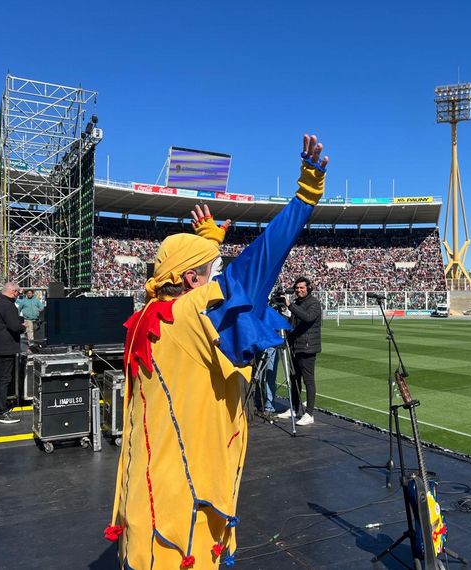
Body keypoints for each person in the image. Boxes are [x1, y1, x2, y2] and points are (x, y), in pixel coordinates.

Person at [106, 134, 329, 570]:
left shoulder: (145, 318)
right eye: (212, 270)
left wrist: (208, 243)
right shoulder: (195, 313)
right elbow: (266, 255)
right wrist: (307, 192)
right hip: (185, 507)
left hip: (144, 495)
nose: (219, 276)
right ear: (192, 280)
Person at [278, 277, 322, 426]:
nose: (298, 290)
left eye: (302, 288)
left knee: (308, 380)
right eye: (297, 288)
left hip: (308, 347)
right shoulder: (297, 304)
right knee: (294, 379)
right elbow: (293, 323)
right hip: (295, 346)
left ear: (308, 288)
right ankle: (295, 409)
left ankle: (309, 413)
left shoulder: (314, 304)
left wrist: (290, 305)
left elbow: (307, 318)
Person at [0, 282, 24, 424]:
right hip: (6, 348)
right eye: (17, 293)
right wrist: (23, 326)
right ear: (13, 292)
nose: (18, 296)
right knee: (4, 379)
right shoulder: (8, 306)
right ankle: (1, 411)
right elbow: (14, 326)